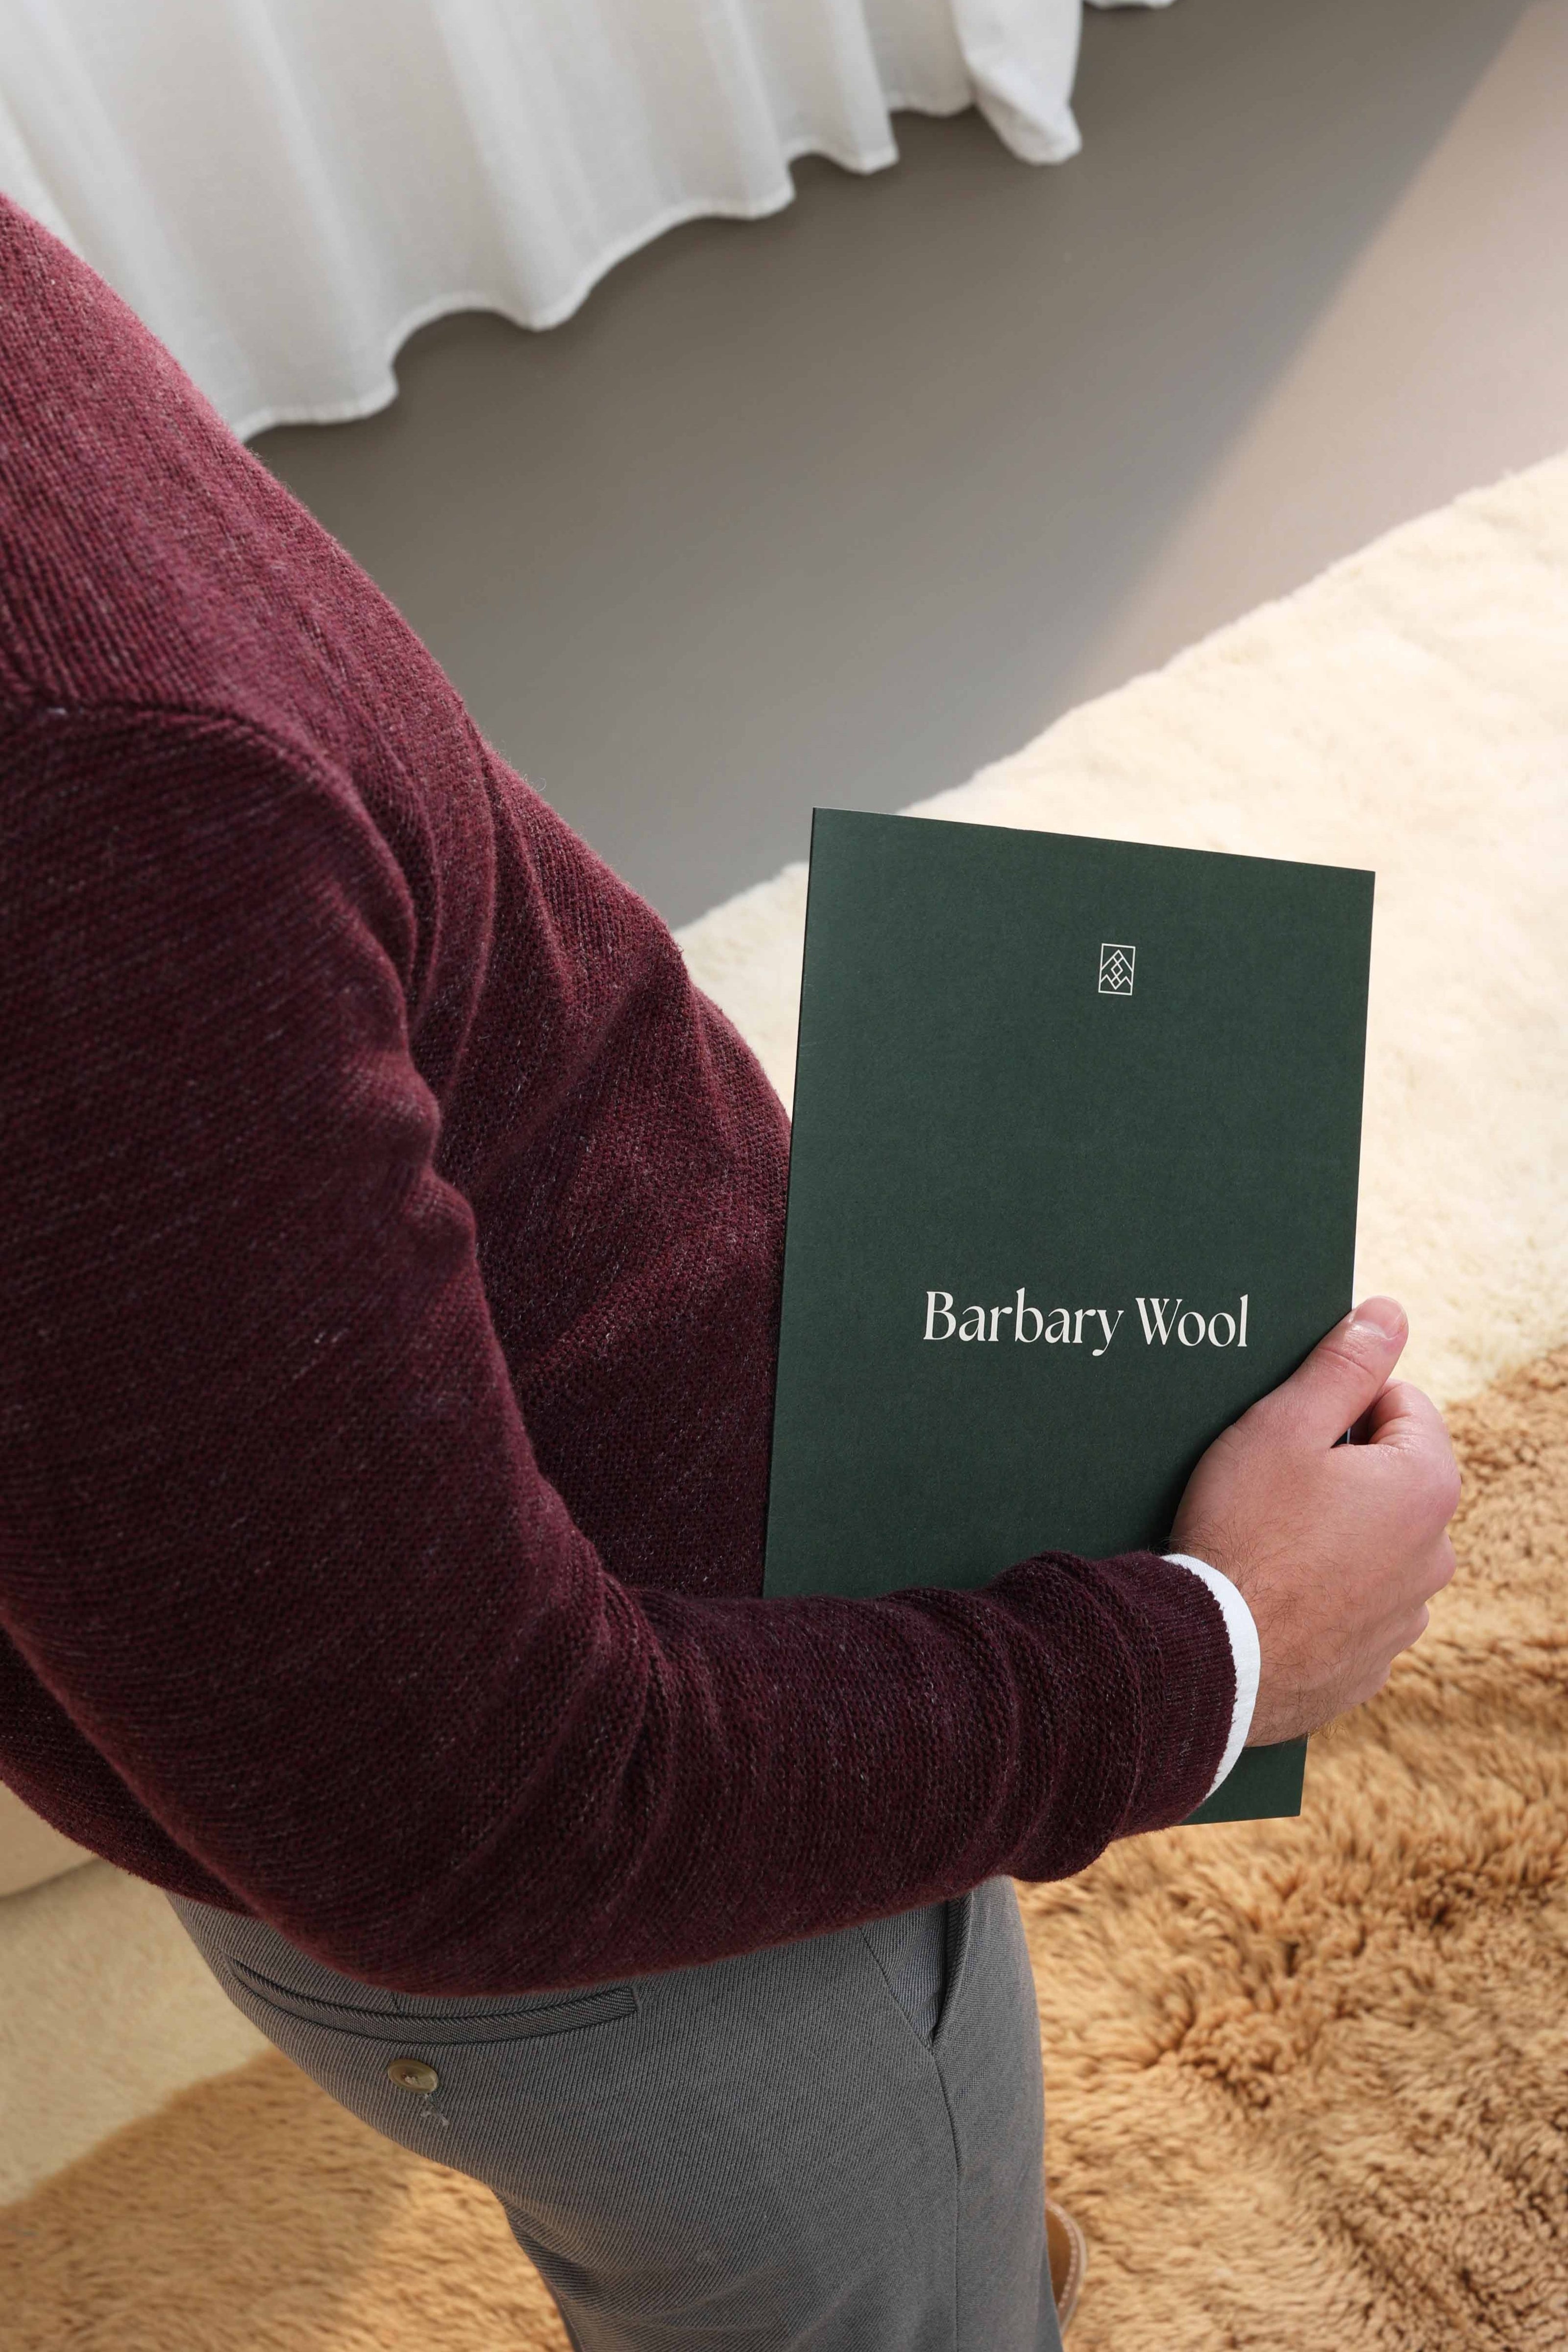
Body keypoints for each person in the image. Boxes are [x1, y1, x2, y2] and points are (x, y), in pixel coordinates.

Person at [0, 193, 1460, 2352]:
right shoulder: (86, 826)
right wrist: (1211, 1659)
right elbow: (472, 1816)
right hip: (676, 1891)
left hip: (653, 1672)